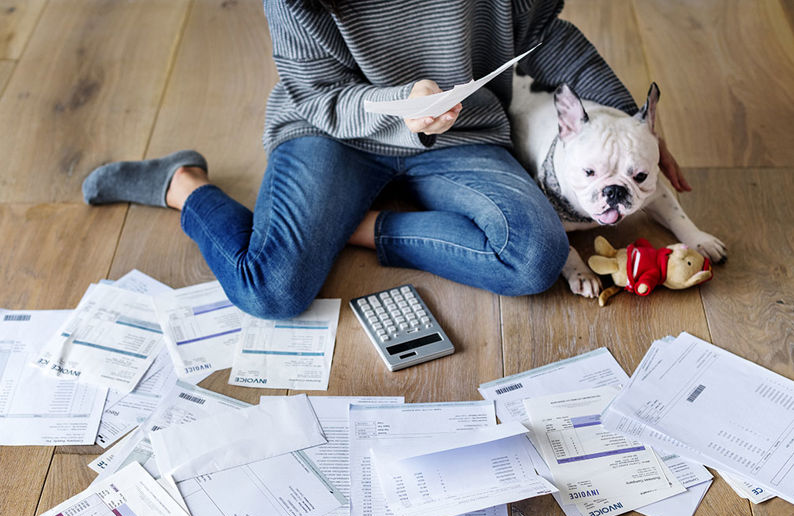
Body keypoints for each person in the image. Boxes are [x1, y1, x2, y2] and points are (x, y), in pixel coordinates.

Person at [83, 0, 690, 319]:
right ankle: (182, 184)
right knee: (269, 291)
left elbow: (547, 37)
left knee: (536, 257)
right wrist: (398, 104)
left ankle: (359, 227)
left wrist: (630, 132)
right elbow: (317, 95)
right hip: (333, 131)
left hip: (462, 130)